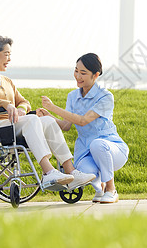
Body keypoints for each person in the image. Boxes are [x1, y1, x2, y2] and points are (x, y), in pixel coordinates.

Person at [0, 35, 95, 190]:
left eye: (10, 55)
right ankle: (48, 172)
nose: (9, 59)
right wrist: (3, 103)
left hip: (12, 124)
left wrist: (21, 109)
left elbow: (23, 102)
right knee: (32, 120)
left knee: (47, 121)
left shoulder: (7, 81)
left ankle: (70, 171)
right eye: (6, 54)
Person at [38, 53, 129, 203]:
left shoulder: (105, 96)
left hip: (111, 149)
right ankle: (100, 189)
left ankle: (111, 189)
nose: (78, 76)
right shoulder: (72, 96)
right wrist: (49, 117)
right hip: (85, 150)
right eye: (76, 71)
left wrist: (53, 107)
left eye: (83, 73)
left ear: (96, 75)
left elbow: (83, 121)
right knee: (85, 172)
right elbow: (67, 125)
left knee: (97, 144)